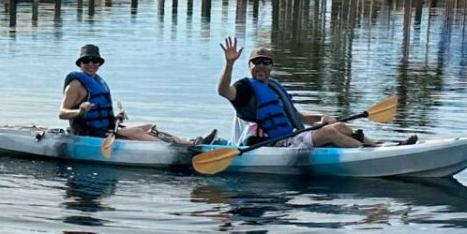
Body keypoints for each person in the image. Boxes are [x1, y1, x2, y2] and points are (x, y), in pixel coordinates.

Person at [215, 37, 374, 150]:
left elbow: (297, 116)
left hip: (289, 139)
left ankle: (376, 145)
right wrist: (229, 63)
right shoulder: (245, 88)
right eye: (256, 62)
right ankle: (367, 153)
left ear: (271, 66)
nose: (261, 66)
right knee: (330, 133)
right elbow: (223, 91)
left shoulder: (274, 87)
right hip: (270, 144)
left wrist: (321, 117)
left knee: (338, 126)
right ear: (249, 65)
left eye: (265, 62)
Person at [59, 44, 189, 144]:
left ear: (99, 63)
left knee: (149, 127)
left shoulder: (97, 81)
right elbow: (62, 113)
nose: (91, 64)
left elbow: (100, 115)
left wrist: (115, 118)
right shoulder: (75, 85)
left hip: (104, 130)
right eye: (86, 61)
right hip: (88, 134)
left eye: (95, 61)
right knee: (137, 132)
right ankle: (174, 150)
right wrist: (80, 111)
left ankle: (187, 143)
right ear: (80, 64)